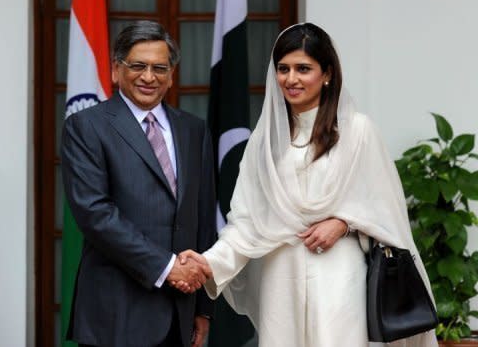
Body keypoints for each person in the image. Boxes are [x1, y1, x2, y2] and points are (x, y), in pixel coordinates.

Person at [176, 23, 438, 346]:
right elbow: (246, 221)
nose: (291, 79)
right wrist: (209, 262)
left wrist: (343, 224)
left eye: (303, 69)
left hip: (339, 275)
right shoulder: (265, 142)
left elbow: (386, 210)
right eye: (283, 69)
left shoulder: (358, 131)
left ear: (326, 73)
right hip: (280, 279)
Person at [61, 20, 216, 347]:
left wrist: (203, 308)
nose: (149, 77)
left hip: (180, 313)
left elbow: (202, 218)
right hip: (117, 314)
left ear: (171, 75)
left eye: (160, 68)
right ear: (116, 70)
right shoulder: (86, 126)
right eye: (138, 66)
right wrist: (168, 266)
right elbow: (95, 214)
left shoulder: (193, 130)